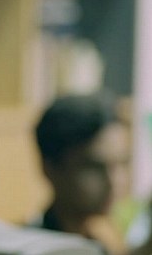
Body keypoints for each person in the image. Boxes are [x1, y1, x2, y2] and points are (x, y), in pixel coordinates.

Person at [33, 94, 132, 254]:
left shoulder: (112, 238)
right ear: (50, 168)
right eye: (94, 168)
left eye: (122, 163)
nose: (114, 182)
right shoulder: (30, 246)